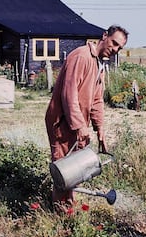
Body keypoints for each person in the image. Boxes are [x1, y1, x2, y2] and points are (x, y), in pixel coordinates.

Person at [45, 25, 128, 210]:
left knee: (75, 168)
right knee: (64, 169)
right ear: (104, 36)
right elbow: (69, 94)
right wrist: (80, 126)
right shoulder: (81, 56)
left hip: (77, 122)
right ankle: (60, 214)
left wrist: (100, 130)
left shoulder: (100, 65)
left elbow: (97, 100)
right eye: (114, 43)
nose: (115, 49)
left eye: (119, 48)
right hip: (62, 121)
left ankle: (68, 207)